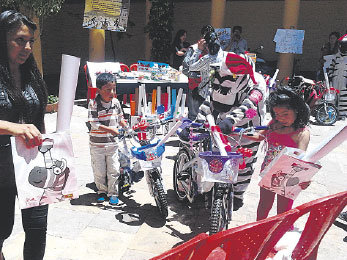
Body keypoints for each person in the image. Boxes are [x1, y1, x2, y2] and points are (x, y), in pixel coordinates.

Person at [0, 10, 48, 260]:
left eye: (31, 41)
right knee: (1, 229)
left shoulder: (31, 74)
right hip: (1, 169)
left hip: (32, 166)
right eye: (19, 40)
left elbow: (38, 120)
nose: (27, 47)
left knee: (38, 230)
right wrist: (12, 127)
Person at [191, 52, 267, 211]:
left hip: (248, 124)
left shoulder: (257, 84)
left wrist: (232, 120)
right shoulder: (220, 76)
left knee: (244, 163)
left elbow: (251, 107)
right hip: (223, 122)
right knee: (217, 155)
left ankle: (238, 194)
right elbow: (210, 101)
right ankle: (213, 185)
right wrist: (196, 123)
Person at [242, 86, 310, 221]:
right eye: (277, 114)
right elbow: (260, 137)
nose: (281, 118)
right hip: (268, 171)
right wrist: (238, 132)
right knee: (264, 205)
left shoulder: (302, 133)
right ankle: (258, 231)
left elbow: (302, 160)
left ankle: (281, 234)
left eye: (285, 114)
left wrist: (305, 179)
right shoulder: (274, 123)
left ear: (296, 110)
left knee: (284, 211)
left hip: (288, 176)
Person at [88, 72, 128, 205]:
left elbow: (120, 117)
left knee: (114, 169)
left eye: (114, 89)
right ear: (99, 90)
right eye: (108, 89)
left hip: (112, 144)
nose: (112, 92)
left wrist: (125, 125)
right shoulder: (93, 103)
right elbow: (94, 123)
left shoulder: (116, 102)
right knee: (99, 170)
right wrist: (110, 130)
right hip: (97, 145)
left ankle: (113, 193)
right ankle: (101, 191)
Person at [182, 24, 214, 120]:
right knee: (194, 116)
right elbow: (186, 69)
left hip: (211, 88)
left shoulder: (214, 49)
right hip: (196, 87)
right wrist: (199, 50)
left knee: (209, 117)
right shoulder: (193, 49)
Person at [328, 34, 347, 119]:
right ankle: (331, 115)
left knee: (343, 98)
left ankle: (342, 115)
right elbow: (331, 67)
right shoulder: (336, 57)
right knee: (333, 97)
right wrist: (330, 76)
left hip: (344, 80)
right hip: (335, 79)